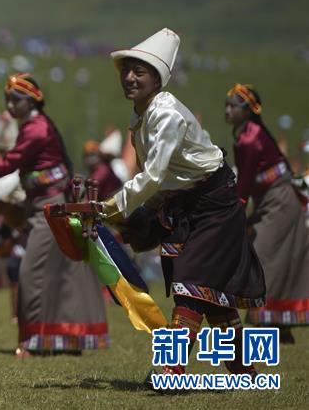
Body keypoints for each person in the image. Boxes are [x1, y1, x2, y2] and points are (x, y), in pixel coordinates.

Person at [103, 29, 265, 377]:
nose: (130, 77)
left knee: (190, 283)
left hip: (215, 205)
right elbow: (163, 180)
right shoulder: (140, 117)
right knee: (209, 293)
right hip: (186, 204)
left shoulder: (166, 114)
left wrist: (113, 207)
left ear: (157, 79)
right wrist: (135, 215)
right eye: (126, 70)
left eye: (139, 71)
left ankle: (170, 370)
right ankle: (244, 371)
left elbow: (155, 175)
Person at [0, 73, 108, 356]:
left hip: (50, 208)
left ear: (32, 100)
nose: (10, 106)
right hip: (40, 205)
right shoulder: (31, 127)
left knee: (30, 271)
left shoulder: (37, 129)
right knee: (54, 273)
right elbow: (15, 172)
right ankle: (61, 340)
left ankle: (35, 340)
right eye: (7, 100)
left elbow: (10, 163)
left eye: (15, 100)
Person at [225, 83, 308, 343]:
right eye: (226, 105)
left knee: (263, 254)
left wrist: (234, 211)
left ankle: (269, 321)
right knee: (272, 256)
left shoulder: (251, 136)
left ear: (248, 111)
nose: (227, 110)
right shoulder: (244, 133)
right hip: (271, 199)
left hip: (280, 200)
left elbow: (245, 182)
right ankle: (278, 325)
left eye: (233, 106)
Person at [82, 130, 123, 202]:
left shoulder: (102, 172)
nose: (89, 159)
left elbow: (88, 200)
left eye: (92, 155)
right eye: (87, 155)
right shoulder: (101, 170)